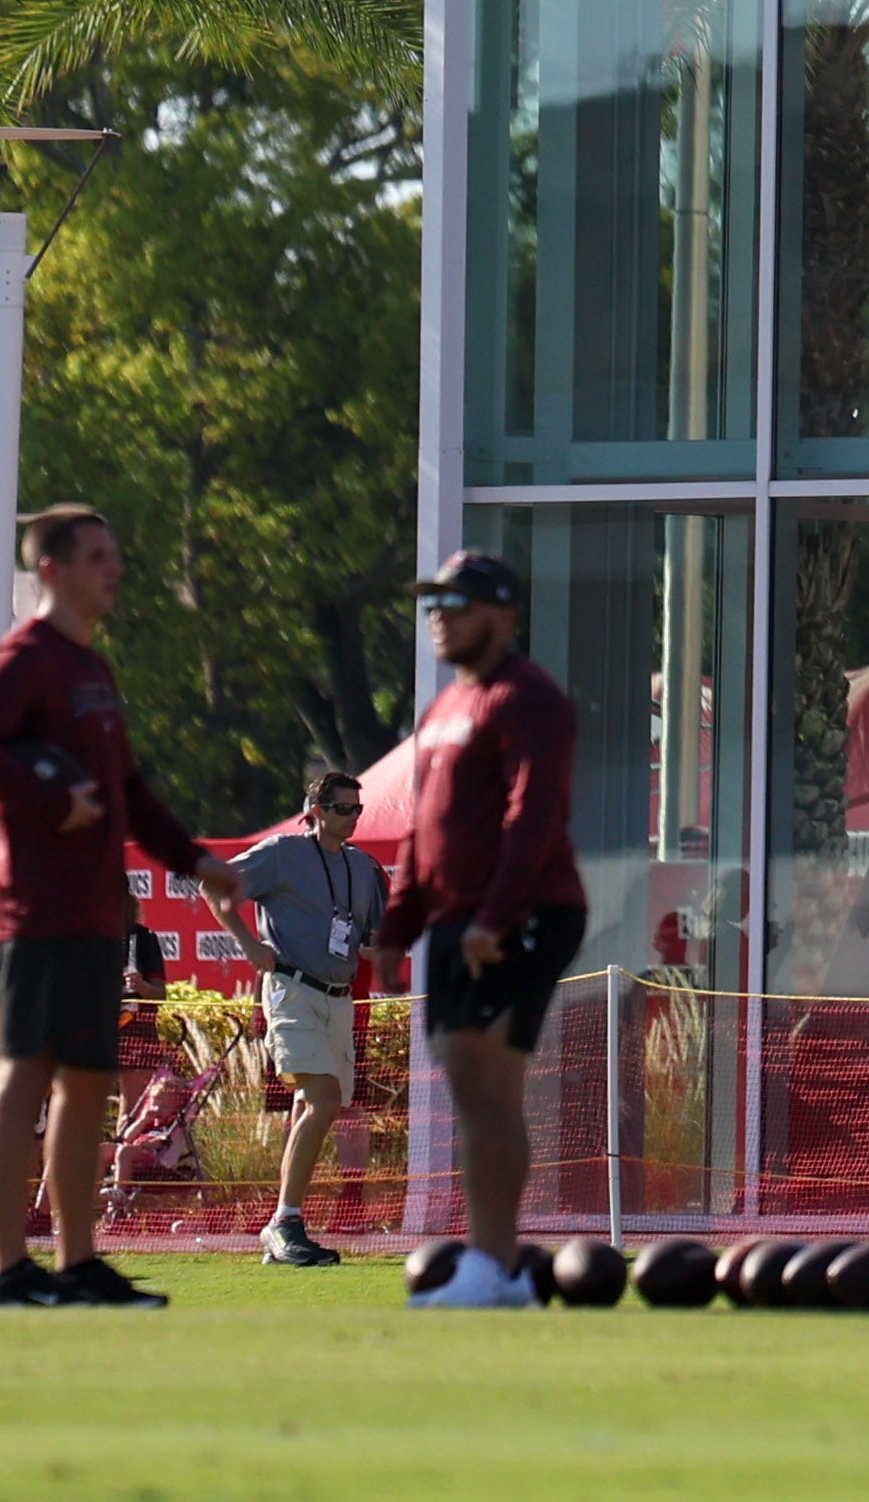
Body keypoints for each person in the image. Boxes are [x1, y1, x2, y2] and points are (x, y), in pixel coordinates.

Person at [0, 502, 227, 1312]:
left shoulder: (93, 668)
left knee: (89, 1087)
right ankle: (4, 1271)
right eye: (98, 555)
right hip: (37, 912)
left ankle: (78, 1265)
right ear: (53, 569)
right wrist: (52, 795)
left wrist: (198, 863)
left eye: (114, 553)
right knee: (24, 1074)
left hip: (99, 914)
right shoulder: (27, 657)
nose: (115, 569)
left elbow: (129, 791)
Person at [385, 548, 589, 1310]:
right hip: (459, 916)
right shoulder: (445, 707)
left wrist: (496, 916)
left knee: (484, 1084)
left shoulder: (525, 697)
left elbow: (534, 813)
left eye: (457, 603)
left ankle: (493, 1267)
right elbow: (420, 832)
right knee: (475, 1087)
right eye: (433, 602)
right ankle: (495, 1270)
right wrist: (396, 925)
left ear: (504, 615)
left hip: (521, 910)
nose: (439, 615)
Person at [198, 760, 386, 1270]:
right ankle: (285, 1221)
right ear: (315, 812)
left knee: (315, 1105)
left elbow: (370, 940)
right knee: (322, 1099)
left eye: (358, 809)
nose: (353, 818)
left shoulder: (364, 868)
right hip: (291, 989)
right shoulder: (283, 854)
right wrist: (248, 944)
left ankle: (283, 1228)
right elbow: (213, 888)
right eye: (343, 809)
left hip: (339, 997)